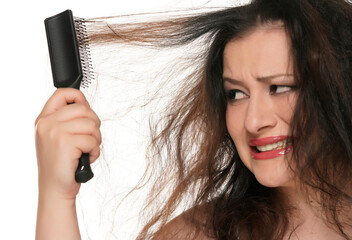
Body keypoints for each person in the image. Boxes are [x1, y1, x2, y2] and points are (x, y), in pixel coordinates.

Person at [35, 0, 352, 239]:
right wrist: (57, 196)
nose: (254, 121)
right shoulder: (198, 234)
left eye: (280, 87)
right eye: (236, 94)